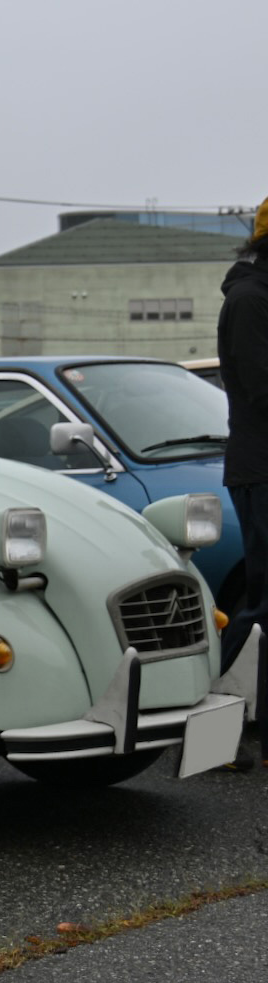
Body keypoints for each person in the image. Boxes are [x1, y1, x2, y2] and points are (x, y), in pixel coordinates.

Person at [218, 199, 268, 688]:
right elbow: (262, 388)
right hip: (261, 471)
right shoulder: (250, 300)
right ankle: (212, 708)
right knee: (264, 606)